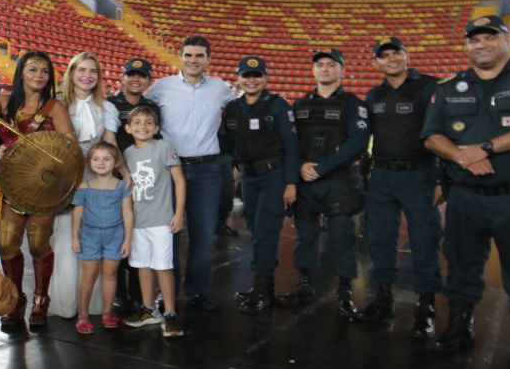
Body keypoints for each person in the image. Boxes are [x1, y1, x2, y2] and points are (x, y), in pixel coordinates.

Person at [421, 15, 510, 369]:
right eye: (474, 40)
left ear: (507, 39)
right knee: (461, 265)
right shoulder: (450, 86)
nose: (481, 45)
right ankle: (459, 330)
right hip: (466, 196)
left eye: (489, 37)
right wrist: (463, 155)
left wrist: (486, 148)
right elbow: (432, 136)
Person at [0, 51, 72, 328]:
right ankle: (16, 300)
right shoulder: (4, 102)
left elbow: (68, 148)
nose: (39, 74)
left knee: (39, 243)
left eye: (44, 70)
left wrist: (24, 150)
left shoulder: (54, 107)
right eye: (32, 69)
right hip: (10, 186)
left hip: (44, 186)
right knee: (6, 243)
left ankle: (41, 300)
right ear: (20, 73)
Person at [352, 37, 442, 337]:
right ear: (376, 62)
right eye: (384, 56)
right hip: (383, 175)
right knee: (379, 240)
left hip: (420, 173)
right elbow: (364, 136)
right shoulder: (373, 95)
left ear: (406, 56)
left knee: (424, 241)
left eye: (397, 53)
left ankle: (426, 305)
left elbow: (442, 131)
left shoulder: (429, 86)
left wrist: (443, 177)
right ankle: (383, 298)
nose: (391, 59)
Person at [277, 49, 370, 317]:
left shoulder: (354, 104)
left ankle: (345, 291)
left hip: (339, 181)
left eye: (331, 65)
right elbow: (290, 143)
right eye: (320, 65)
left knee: (342, 236)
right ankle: (305, 284)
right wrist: (299, 168)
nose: (325, 69)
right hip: (306, 181)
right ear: (313, 70)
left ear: (342, 70)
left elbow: (357, 144)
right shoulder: (300, 105)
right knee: (305, 235)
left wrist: (322, 168)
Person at [145, 35, 234, 311]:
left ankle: (197, 291)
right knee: (166, 234)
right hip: (169, 168)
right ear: (180, 57)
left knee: (203, 234)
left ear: (209, 59)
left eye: (199, 56)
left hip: (207, 168)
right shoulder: (161, 88)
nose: (193, 60)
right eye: (188, 55)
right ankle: (167, 291)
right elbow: (140, 111)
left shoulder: (222, 88)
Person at [223, 56, 299, 313]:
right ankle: (261, 288)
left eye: (257, 76)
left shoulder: (277, 105)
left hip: (274, 176)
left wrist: (291, 183)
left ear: (265, 78)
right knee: (257, 230)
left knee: (266, 232)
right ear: (239, 78)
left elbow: (292, 145)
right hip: (249, 177)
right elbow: (227, 142)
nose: (251, 80)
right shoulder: (233, 108)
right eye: (246, 75)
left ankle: (264, 291)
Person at [51, 52, 124, 317]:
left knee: (91, 235)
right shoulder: (57, 104)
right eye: (82, 70)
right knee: (66, 236)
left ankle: (91, 304)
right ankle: (66, 304)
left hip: (96, 175)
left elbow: (111, 146)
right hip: (65, 175)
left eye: (93, 71)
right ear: (72, 73)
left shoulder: (107, 108)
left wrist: (125, 174)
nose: (87, 75)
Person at [122, 106, 187, 337]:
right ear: (128, 128)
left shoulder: (163, 147)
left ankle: (169, 312)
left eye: (149, 123)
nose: (143, 127)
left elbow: (179, 181)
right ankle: (149, 309)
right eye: (137, 123)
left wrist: (178, 213)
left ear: (157, 128)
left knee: (163, 266)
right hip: (138, 221)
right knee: (142, 265)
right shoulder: (127, 154)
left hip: (161, 219)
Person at [107, 58, 161, 314]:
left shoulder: (152, 107)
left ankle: (140, 294)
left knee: (139, 237)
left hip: (143, 179)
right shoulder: (110, 105)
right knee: (117, 236)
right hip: (116, 178)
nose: (136, 80)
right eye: (131, 75)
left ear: (148, 81)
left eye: (141, 76)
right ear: (123, 77)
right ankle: (119, 293)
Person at [71, 141, 133, 334]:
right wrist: (75, 236)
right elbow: (77, 213)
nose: (101, 162)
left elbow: (128, 213)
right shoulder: (84, 186)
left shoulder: (123, 186)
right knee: (88, 276)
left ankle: (107, 314)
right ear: (90, 163)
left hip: (115, 236)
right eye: (96, 159)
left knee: (110, 275)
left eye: (106, 159)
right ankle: (82, 316)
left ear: (115, 163)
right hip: (89, 236)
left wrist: (128, 240)